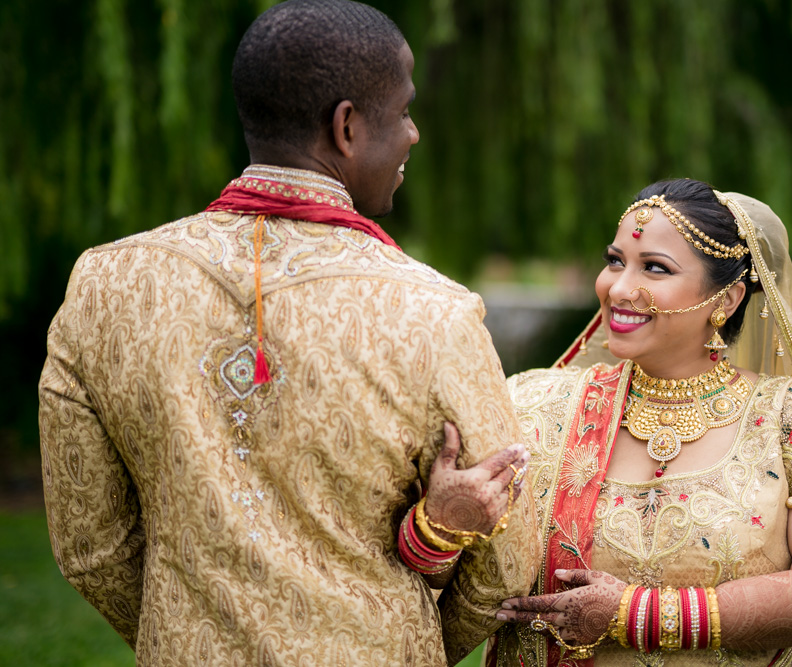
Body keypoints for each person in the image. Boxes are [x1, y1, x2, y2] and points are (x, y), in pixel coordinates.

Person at [38, 1, 536, 664]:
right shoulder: (433, 312)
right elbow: (510, 556)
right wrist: (404, 641)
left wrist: (190, 636)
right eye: (405, 110)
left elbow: (91, 545)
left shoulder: (106, 284)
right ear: (348, 126)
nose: (414, 133)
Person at [415, 179, 792, 665]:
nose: (619, 288)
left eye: (655, 269)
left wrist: (631, 613)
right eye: (615, 260)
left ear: (725, 301)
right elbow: (445, 581)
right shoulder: (535, 402)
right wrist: (440, 527)